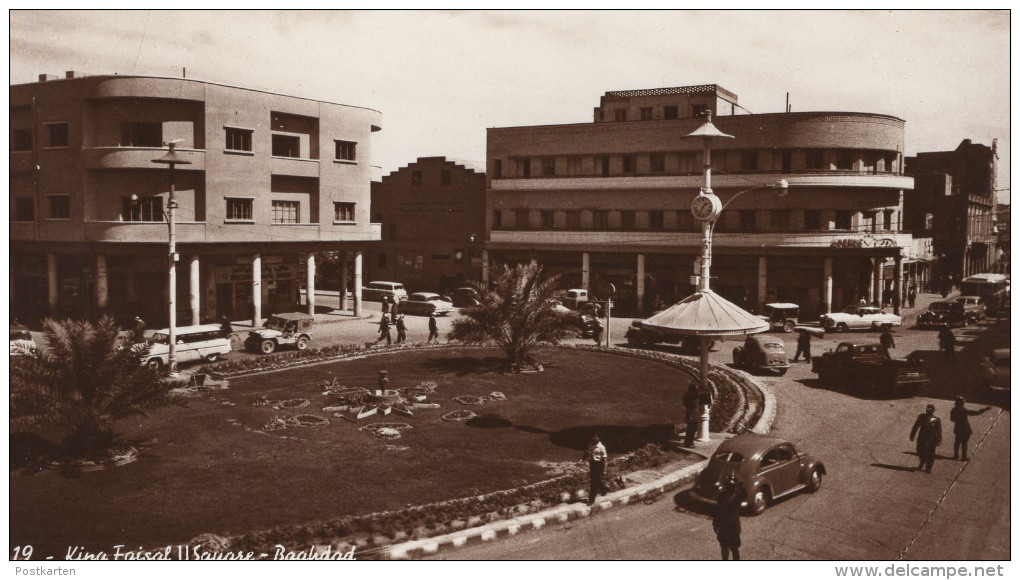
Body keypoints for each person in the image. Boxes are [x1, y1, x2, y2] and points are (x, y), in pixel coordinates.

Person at [712, 474, 747, 561]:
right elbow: (744, 494)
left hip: (723, 528)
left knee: (725, 550)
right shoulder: (736, 498)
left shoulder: (721, 496)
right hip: (733, 529)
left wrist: (715, 524)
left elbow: (717, 512)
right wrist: (741, 486)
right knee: (734, 550)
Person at [949, 396, 990, 461]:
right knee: (964, 444)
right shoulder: (964, 410)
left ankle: (955, 456)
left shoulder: (953, 410)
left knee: (957, 443)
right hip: (965, 429)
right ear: (961, 403)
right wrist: (984, 409)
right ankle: (964, 457)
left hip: (958, 428)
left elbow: (952, 419)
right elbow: (975, 413)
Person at [909, 403, 942, 473]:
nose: (928, 411)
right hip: (922, 437)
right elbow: (916, 426)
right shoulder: (921, 416)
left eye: (930, 410)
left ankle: (928, 467)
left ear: (933, 411)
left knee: (931, 454)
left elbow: (939, 431)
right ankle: (922, 461)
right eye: (927, 409)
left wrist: (939, 440)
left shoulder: (936, 419)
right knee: (919, 451)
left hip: (931, 439)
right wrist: (912, 435)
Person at [579, 433, 608, 505]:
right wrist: (582, 459)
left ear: (599, 438)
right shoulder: (591, 444)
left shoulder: (601, 447)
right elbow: (588, 452)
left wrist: (604, 470)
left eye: (595, 437)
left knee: (594, 483)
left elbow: (605, 459)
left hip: (599, 465)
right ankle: (604, 488)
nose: (594, 438)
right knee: (596, 480)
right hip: (592, 464)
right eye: (593, 436)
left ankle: (591, 500)